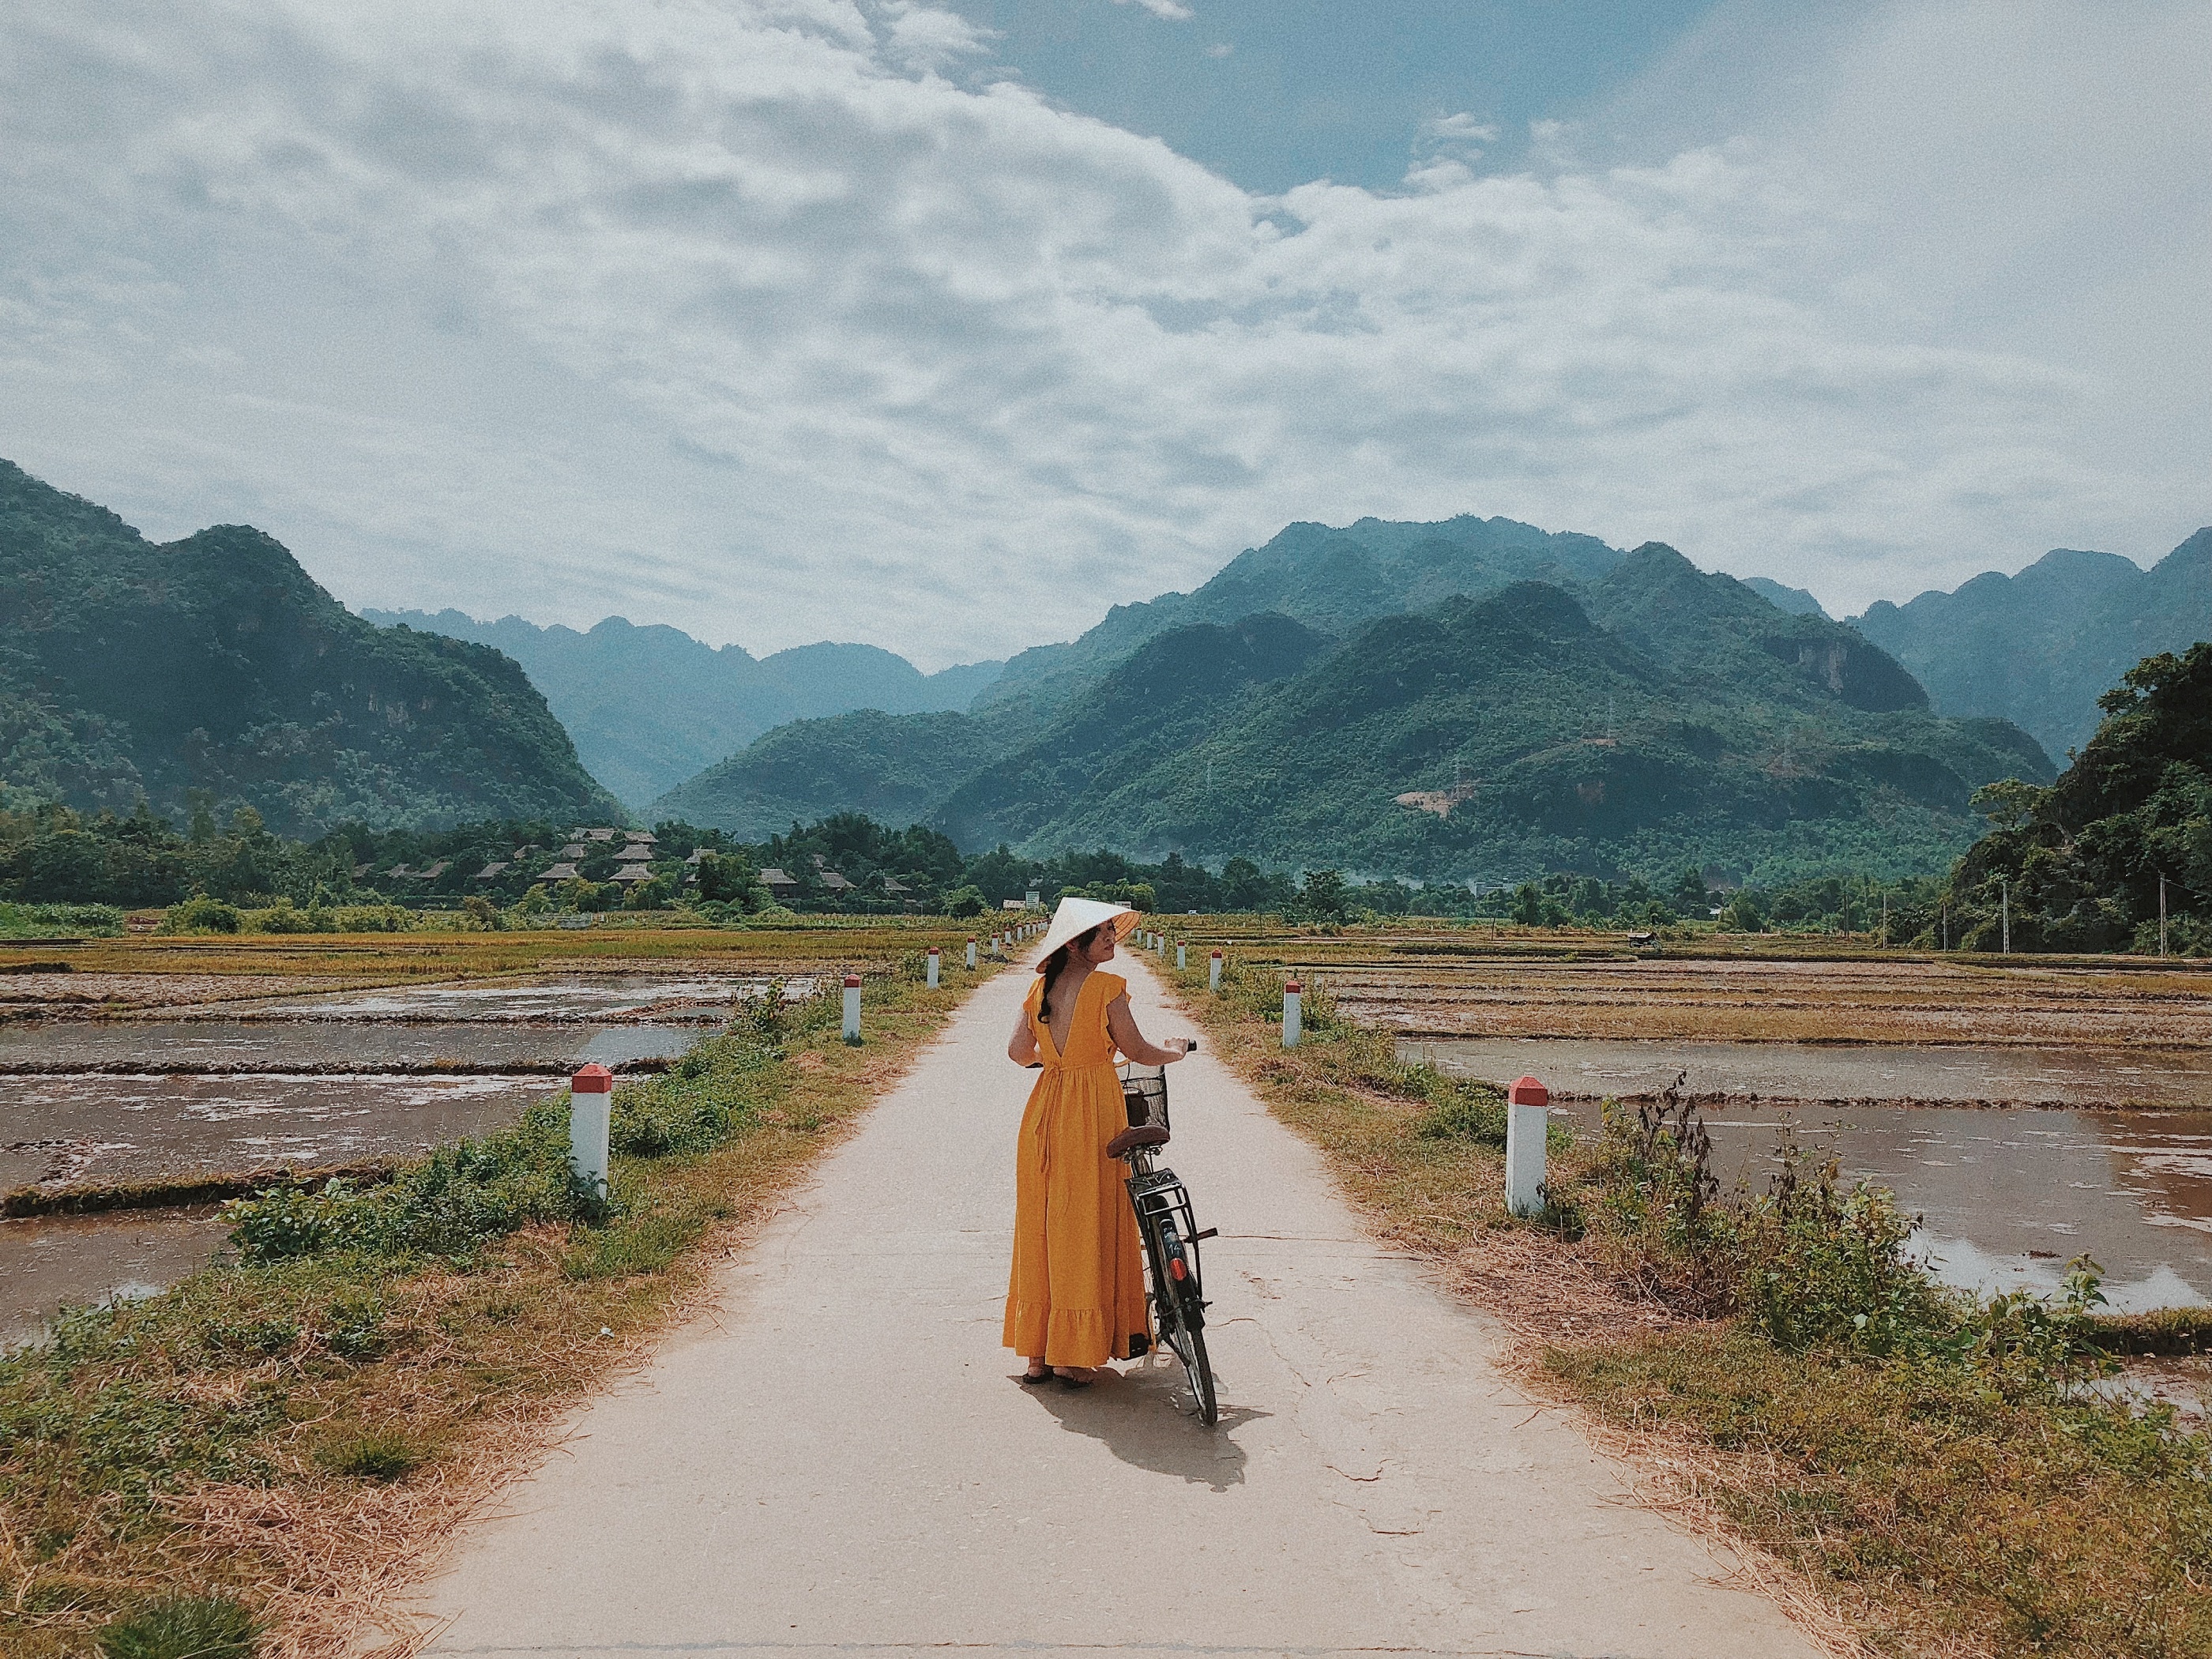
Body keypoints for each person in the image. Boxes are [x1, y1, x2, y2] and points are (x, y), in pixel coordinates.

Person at [1003, 897, 1191, 1386]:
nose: (1112, 938)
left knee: (1043, 1225)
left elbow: (1018, 1052)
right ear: (1075, 943)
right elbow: (1136, 1050)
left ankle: (1039, 1355)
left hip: (1046, 1112)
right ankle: (1072, 1355)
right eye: (1103, 932)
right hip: (1092, 1116)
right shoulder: (1107, 988)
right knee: (1084, 1224)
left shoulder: (1039, 990)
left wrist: (1059, 1064)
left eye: (1111, 930)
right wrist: (1171, 1053)